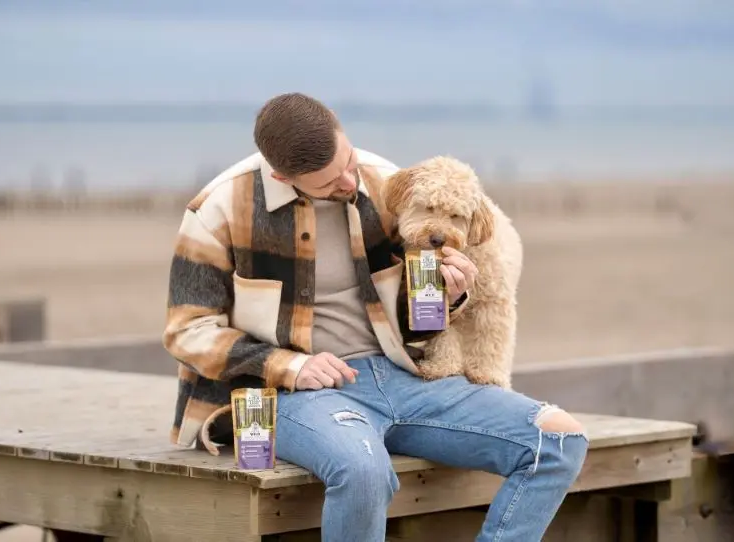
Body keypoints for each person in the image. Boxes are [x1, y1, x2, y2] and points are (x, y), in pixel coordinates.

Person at [162, 92, 588, 541]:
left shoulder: (391, 185)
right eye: (329, 182)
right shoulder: (219, 209)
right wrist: (292, 364)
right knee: (364, 470)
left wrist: (447, 297)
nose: (350, 181)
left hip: (401, 374)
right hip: (278, 394)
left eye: (348, 161)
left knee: (560, 441)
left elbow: (420, 323)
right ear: (281, 176)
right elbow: (186, 331)